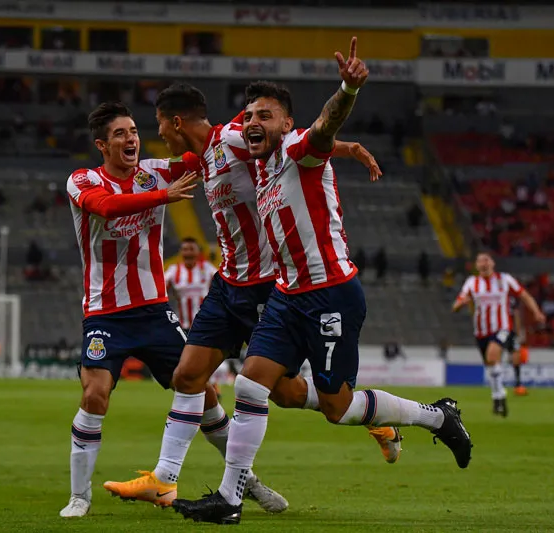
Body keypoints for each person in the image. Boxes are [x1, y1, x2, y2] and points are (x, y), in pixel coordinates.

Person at [172, 37, 473, 525]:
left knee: (338, 407)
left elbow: (324, 127)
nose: (253, 123)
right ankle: (229, 501)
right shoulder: (263, 168)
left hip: (331, 294)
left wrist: (347, 91)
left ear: (286, 124)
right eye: (248, 116)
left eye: (265, 115)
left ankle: (436, 416)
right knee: (250, 385)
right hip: (289, 295)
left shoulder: (295, 151)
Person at [103, 81, 393, 513]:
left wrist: (341, 146)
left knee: (287, 394)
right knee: (187, 376)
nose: (159, 132)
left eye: (161, 124)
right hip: (227, 284)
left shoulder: (236, 139)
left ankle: (370, 416)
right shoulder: (197, 159)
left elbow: (292, 141)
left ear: (176, 122)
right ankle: (164, 480)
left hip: (266, 285)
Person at [58, 102, 204, 518]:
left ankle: (243, 480)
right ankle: (79, 496)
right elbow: (105, 208)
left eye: (135, 130)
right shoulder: (82, 180)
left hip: (155, 310)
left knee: (204, 390)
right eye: (120, 133)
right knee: (94, 394)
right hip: (105, 314)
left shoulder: (154, 171)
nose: (132, 138)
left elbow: (203, 158)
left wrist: (196, 132)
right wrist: (163, 196)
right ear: (102, 144)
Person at [453, 252, 545, 417]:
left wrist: (536, 312)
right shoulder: (472, 282)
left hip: (502, 327)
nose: (484, 263)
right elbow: (456, 305)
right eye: (480, 260)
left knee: (493, 355)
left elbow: (524, 295)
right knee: (490, 364)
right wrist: (461, 304)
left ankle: (499, 397)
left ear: (492, 263)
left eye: (486, 260)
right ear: (476, 266)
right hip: (481, 331)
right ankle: (499, 396)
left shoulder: (505, 279)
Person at [164, 238, 216, 333]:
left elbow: (223, 284)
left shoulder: (207, 268)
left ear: (198, 252)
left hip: (205, 324)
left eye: (191, 249)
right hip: (183, 327)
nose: (188, 253)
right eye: (185, 249)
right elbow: (159, 290)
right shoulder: (174, 270)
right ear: (181, 252)